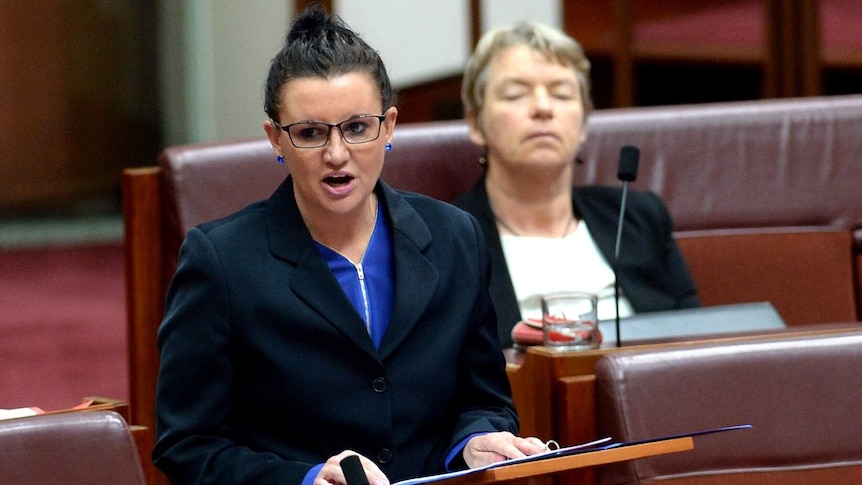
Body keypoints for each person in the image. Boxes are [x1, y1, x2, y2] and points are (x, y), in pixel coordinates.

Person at [151, 6, 546, 485]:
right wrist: (305, 479)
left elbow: (484, 399)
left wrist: (476, 440)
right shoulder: (221, 261)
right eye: (311, 133)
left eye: (357, 128)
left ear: (389, 126)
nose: (337, 155)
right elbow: (186, 444)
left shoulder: (455, 237)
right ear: (276, 139)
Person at [454, 21, 700, 349]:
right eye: (516, 94)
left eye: (561, 93)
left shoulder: (638, 217)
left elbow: (698, 342)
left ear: (583, 121)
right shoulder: (448, 238)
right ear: (475, 123)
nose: (543, 108)